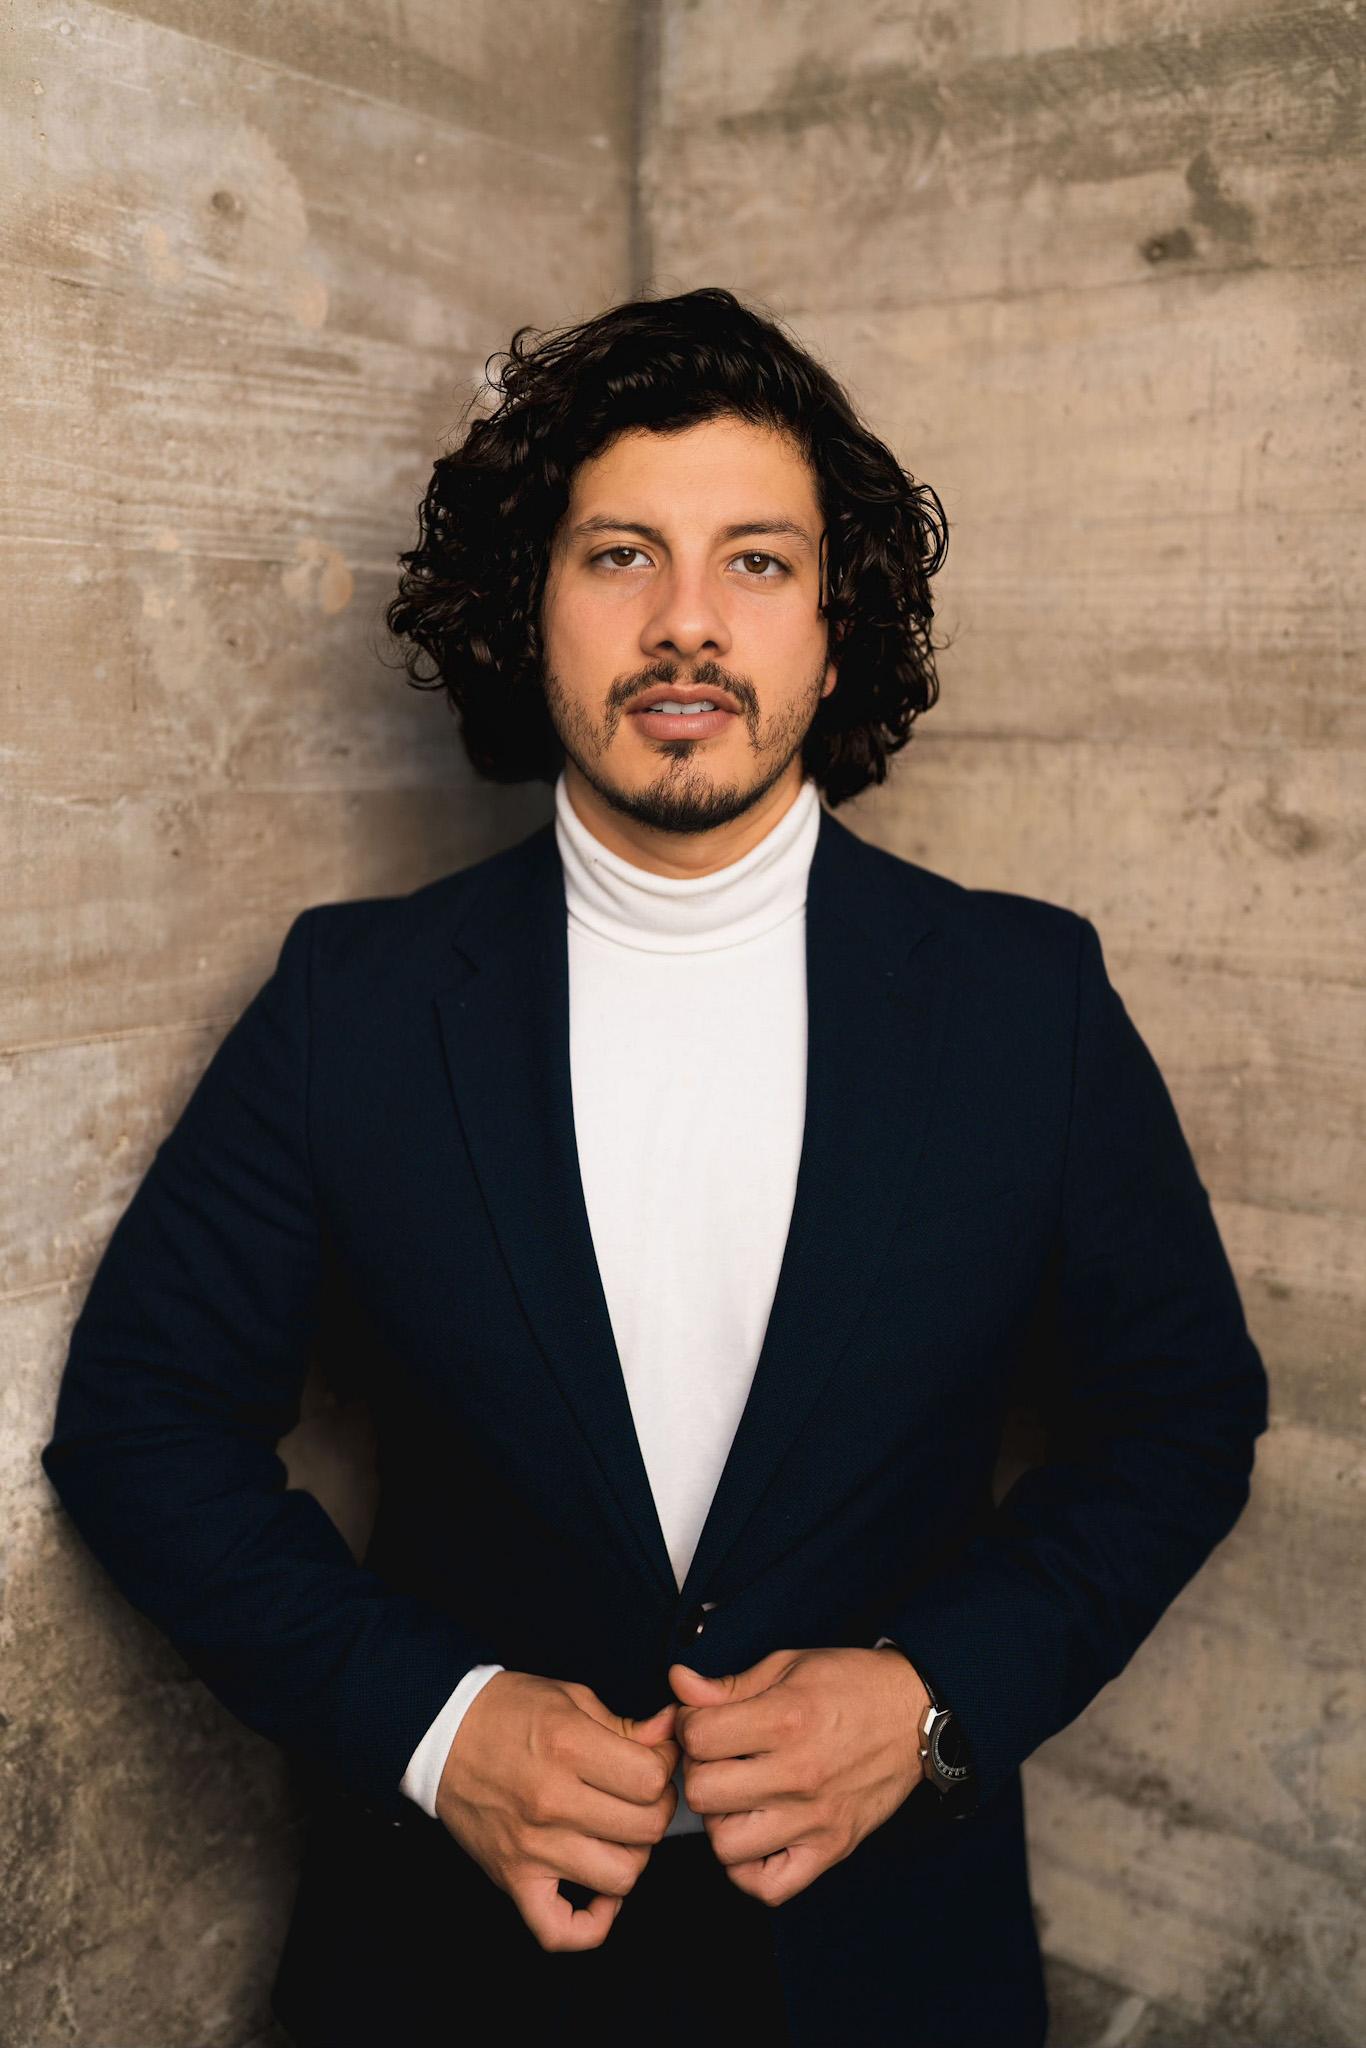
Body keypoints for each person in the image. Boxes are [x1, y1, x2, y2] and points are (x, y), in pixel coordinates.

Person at [40, 287, 1269, 2047]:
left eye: (756, 562)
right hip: (447, 1972)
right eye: (619, 554)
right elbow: (142, 1422)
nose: (685, 620)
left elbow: (1178, 1417)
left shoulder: (1025, 999)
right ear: (525, 609)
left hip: (888, 1971)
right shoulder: (351, 1004)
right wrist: (436, 1724)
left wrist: (931, 1696)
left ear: (834, 632)